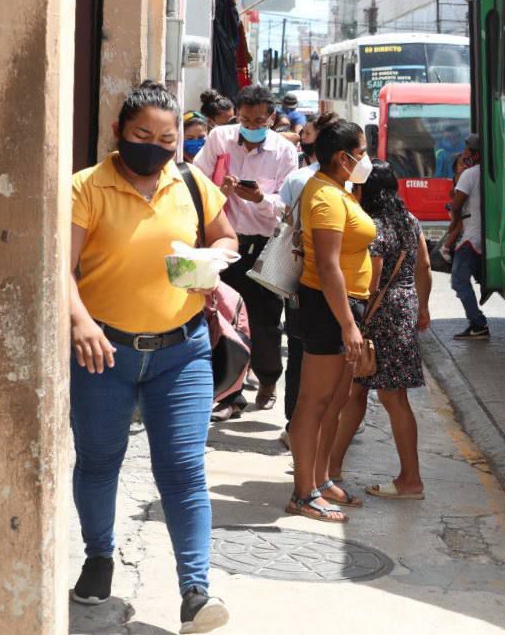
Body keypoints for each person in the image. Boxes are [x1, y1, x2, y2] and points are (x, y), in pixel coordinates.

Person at [69, 81, 238, 632]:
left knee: (185, 469)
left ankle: (195, 591)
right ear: (119, 131)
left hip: (181, 351)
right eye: (143, 134)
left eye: (168, 138)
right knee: (99, 462)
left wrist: (212, 256)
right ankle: (99, 557)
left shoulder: (190, 183)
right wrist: (81, 323)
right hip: (103, 354)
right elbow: (60, 269)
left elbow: (228, 237)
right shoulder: (85, 188)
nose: (156, 145)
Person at [287, 114, 376, 522]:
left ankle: (320, 481)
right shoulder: (323, 195)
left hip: (342, 307)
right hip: (328, 309)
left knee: (334, 401)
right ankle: (303, 493)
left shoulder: (339, 189)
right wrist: (348, 324)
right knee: (314, 402)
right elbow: (327, 266)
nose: (366, 159)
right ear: (342, 158)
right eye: (361, 152)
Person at [327, 160, 431, 500]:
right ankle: (332, 467)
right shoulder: (409, 220)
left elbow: (370, 281)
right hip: (403, 309)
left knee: (390, 396)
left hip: (378, 315)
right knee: (358, 391)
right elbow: (425, 267)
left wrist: (351, 319)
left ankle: (410, 480)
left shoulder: (373, 226)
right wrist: (424, 307)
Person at [194, 85, 298, 418]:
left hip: (265, 246)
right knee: (223, 318)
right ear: (237, 115)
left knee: (265, 322)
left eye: (259, 120)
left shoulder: (283, 151)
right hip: (225, 242)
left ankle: (268, 378)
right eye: (246, 119)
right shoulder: (220, 139)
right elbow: (196, 180)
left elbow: (288, 204)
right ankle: (229, 394)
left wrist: (259, 199)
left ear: (271, 118)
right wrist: (217, 191)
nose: (252, 125)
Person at [276, 115, 325, 448]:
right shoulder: (348, 185)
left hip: (297, 278)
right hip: (330, 284)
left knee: (298, 351)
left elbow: (285, 223)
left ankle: (295, 424)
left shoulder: (298, 179)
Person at [445, 143, 489, 340]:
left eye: (467, 152)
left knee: (459, 281)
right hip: (491, 237)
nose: (464, 155)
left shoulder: (470, 175)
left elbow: (456, 205)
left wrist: (455, 219)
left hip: (471, 237)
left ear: (476, 153)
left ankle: (478, 324)